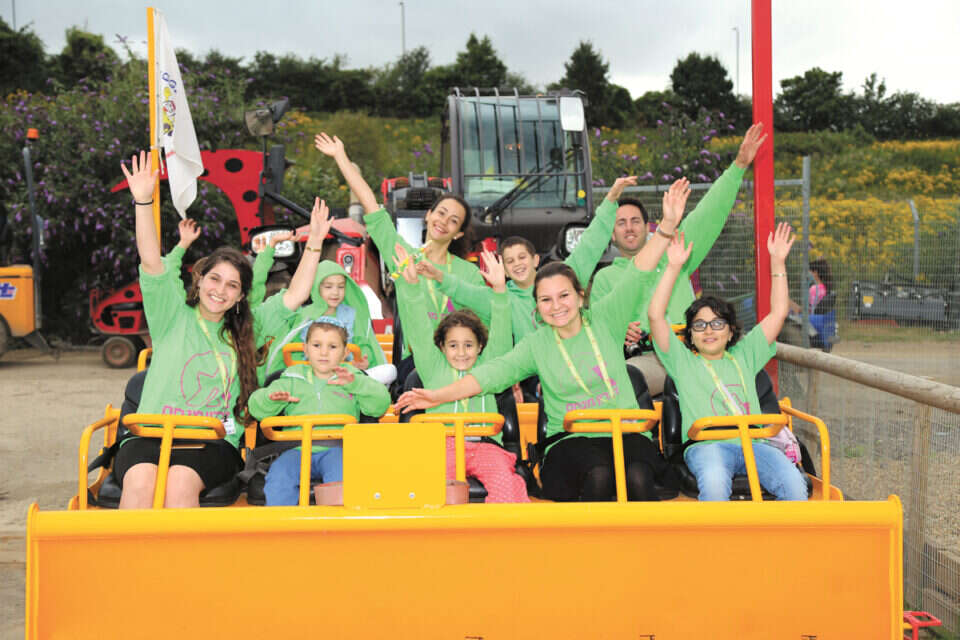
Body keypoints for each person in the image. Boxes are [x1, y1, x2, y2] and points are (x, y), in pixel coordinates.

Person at [395, 179, 693, 502]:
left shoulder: (606, 318)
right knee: (599, 476)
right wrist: (435, 396)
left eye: (564, 296)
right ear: (537, 307)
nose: (557, 306)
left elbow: (638, 271)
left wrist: (666, 226)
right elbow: (489, 375)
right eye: (546, 300)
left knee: (638, 477)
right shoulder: (536, 344)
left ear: (580, 296)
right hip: (572, 439)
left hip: (625, 431)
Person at [115, 151, 332, 509]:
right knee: (140, 483)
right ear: (199, 280)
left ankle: (179, 549)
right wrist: (143, 201)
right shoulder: (172, 315)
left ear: (241, 296)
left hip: (209, 440)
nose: (220, 290)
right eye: (214, 279)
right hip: (150, 433)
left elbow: (295, 295)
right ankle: (129, 548)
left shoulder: (250, 327)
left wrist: (315, 243)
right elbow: (151, 260)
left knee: (178, 484)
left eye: (232, 285)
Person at [590, 123, 769, 396]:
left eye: (635, 221)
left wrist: (738, 167)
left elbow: (706, 216)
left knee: (754, 376)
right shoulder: (605, 279)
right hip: (651, 359)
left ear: (648, 227)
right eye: (621, 223)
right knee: (627, 377)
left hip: (696, 351)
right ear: (612, 235)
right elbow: (598, 330)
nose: (629, 228)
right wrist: (620, 331)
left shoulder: (674, 254)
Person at [647, 224, 808, 501]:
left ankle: (782, 531)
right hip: (707, 446)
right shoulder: (682, 362)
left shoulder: (746, 354)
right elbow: (655, 317)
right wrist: (673, 267)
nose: (709, 330)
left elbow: (779, 312)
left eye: (717, 323)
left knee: (795, 485)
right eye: (700, 325)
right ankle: (717, 531)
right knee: (714, 483)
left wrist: (778, 262)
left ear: (731, 331)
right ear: (690, 335)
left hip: (754, 444)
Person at [314, 132, 484, 383]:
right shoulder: (404, 257)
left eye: (453, 220)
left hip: (461, 361)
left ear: (458, 233)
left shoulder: (469, 273)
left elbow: (483, 322)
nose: (443, 222)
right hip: (416, 362)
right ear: (428, 215)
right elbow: (371, 206)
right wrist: (341, 156)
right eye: (441, 213)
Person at [416, 175, 638, 345]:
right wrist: (439, 275)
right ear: (504, 270)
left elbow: (589, 246)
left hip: (576, 360)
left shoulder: (561, 278)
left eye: (522, 257)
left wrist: (611, 199)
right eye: (510, 261)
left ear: (535, 260)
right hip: (531, 373)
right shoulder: (503, 299)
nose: (518, 264)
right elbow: (466, 292)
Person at [394, 243, 528, 503]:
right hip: (442, 445)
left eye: (469, 345)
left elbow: (502, 335)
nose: (462, 353)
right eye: (453, 346)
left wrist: (500, 292)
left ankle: (500, 526)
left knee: (507, 482)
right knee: (432, 488)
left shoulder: (490, 367)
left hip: (485, 445)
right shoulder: (432, 368)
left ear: (480, 347)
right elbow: (419, 330)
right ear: (442, 347)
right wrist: (411, 287)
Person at [247, 318, 391, 506]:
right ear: (305, 349)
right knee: (279, 478)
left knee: (342, 479)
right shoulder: (291, 378)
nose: (324, 352)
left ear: (345, 353)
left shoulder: (352, 377)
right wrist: (271, 399)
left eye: (332, 347)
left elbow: (380, 404)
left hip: (338, 449)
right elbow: (256, 408)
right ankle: (282, 524)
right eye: (316, 345)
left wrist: (356, 384)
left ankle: (335, 523)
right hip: (295, 449)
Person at [253, 250, 396, 385]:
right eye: (328, 287)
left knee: (390, 371)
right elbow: (293, 348)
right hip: (310, 374)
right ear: (316, 287)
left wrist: (362, 361)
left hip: (346, 372)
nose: (335, 292)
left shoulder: (351, 314)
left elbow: (363, 342)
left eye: (340, 287)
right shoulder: (305, 315)